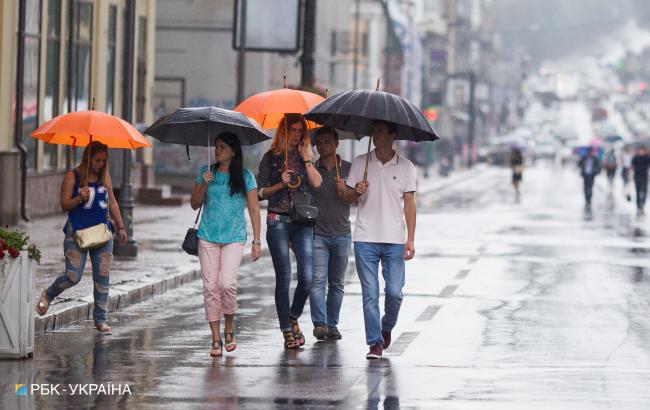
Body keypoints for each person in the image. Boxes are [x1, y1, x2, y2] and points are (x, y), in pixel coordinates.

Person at [341, 120, 417, 359]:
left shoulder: (406, 167)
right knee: (370, 293)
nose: (375, 134)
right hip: (365, 238)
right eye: (373, 130)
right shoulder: (360, 163)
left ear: (392, 135)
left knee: (395, 293)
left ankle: (386, 327)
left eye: (380, 131)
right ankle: (374, 343)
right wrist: (356, 191)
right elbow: (347, 197)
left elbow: (410, 205)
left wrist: (411, 239)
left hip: (394, 239)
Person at [36, 141, 127, 334]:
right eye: (97, 160)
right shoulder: (73, 176)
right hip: (76, 234)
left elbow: (113, 204)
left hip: (102, 234)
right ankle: (49, 294)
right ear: (88, 158)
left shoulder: (105, 177)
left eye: (104, 160)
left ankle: (100, 320)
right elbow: (64, 205)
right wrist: (79, 197)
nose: (100, 164)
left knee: (102, 276)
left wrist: (120, 227)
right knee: (73, 276)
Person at [190, 132, 262, 357]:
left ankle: (229, 328)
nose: (217, 150)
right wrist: (203, 183)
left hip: (234, 237)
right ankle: (215, 338)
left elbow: (253, 208)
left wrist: (257, 240)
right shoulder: (206, 172)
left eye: (222, 147)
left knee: (227, 284)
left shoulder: (245, 175)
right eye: (216, 146)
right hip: (207, 237)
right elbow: (194, 204)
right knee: (210, 288)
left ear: (233, 151)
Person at [257, 115, 322, 349]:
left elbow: (317, 183)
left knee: (307, 277)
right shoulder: (271, 158)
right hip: (277, 221)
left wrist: (307, 161)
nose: (296, 134)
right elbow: (259, 192)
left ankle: (293, 316)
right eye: (292, 130)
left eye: (300, 131)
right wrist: (280, 183)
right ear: (283, 132)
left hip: (302, 222)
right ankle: (286, 329)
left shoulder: (306, 155)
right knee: (283, 278)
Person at [309, 127, 352, 341]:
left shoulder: (349, 169)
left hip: (342, 233)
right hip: (317, 233)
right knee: (317, 281)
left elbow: (356, 199)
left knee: (337, 283)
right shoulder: (311, 170)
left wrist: (345, 190)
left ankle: (332, 324)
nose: (323, 146)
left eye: (328, 142)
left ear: (337, 144)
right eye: (320, 142)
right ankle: (320, 323)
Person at [631, 144, 650, 216]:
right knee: (638, 192)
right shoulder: (635, 157)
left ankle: (642, 205)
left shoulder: (647, 157)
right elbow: (632, 166)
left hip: (644, 177)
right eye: (639, 150)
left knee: (644, 191)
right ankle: (638, 205)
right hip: (637, 177)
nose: (641, 152)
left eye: (642, 150)